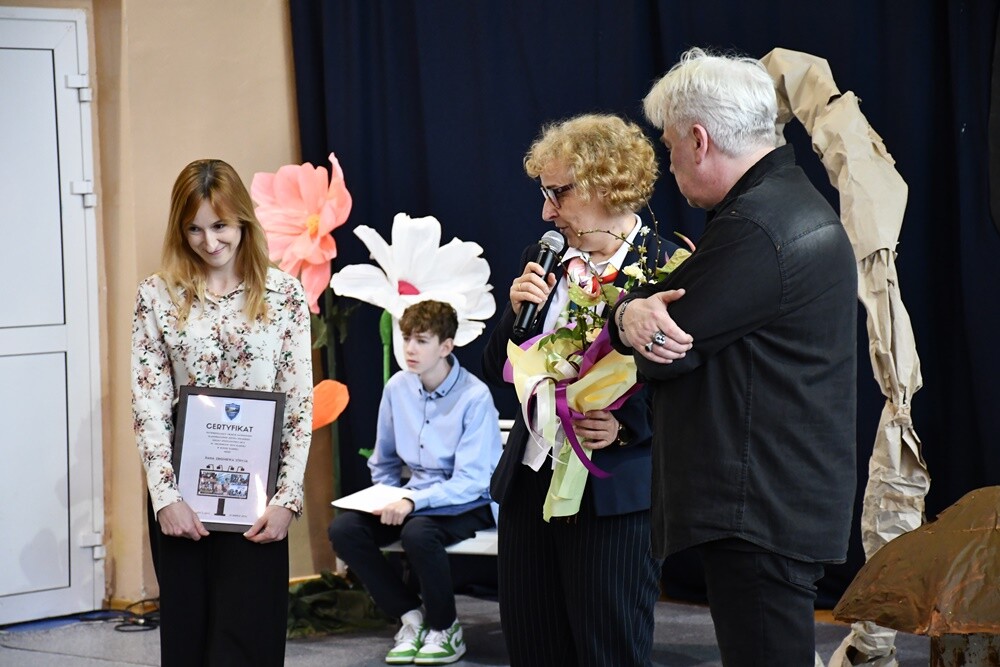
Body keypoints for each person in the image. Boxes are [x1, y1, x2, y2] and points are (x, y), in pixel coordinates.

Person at [609, 48, 858, 666]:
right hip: (778, 497)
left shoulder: (757, 227)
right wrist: (629, 312)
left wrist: (627, 315)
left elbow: (667, 349)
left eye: (668, 147)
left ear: (698, 139)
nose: (669, 165)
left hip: (761, 509)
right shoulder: (782, 205)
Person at [482, 114, 672, 666]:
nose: (546, 211)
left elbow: (698, 386)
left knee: (607, 652)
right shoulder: (544, 262)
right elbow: (498, 368)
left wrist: (628, 426)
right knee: (534, 648)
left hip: (612, 497)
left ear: (605, 183)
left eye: (557, 193)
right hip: (531, 483)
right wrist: (515, 312)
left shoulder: (667, 267)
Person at [131, 159, 313, 666]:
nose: (209, 242)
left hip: (257, 503)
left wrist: (287, 499)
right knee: (189, 643)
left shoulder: (285, 295)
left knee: (248, 643)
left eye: (220, 226)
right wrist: (165, 496)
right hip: (183, 500)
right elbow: (147, 402)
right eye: (194, 228)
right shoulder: (156, 296)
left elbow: (299, 403)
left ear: (243, 224)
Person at [328, 299, 500, 666]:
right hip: (413, 497)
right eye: (406, 338)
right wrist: (384, 496)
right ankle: (410, 616)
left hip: (469, 502)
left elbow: (472, 481)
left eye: (421, 340)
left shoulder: (474, 397)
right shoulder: (397, 388)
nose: (409, 349)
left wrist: (411, 503)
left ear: (446, 346)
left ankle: (445, 627)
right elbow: (384, 460)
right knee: (345, 530)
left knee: (419, 533)